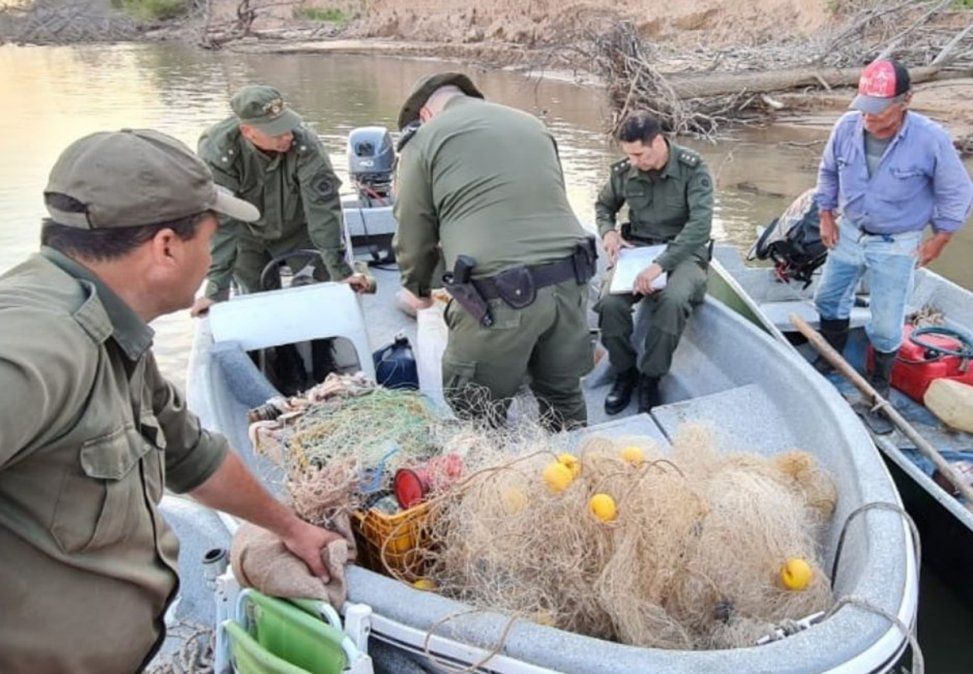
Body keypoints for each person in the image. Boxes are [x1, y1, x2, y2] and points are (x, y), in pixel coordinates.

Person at [0, 129, 343, 673]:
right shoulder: (40, 345)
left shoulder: (113, 326)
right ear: (165, 247)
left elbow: (190, 455)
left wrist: (293, 530)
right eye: (209, 240)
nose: (211, 259)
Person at [392, 72, 597, 430]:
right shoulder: (533, 125)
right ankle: (584, 475)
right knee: (563, 399)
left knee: (478, 413)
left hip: (498, 299)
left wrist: (418, 288)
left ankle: (495, 480)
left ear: (424, 115)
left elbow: (414, 226)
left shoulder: (425, 139)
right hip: (572, 283)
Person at [813, 58, 973, 434]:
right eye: (863, 106)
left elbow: (956, 191)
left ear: (905, 102)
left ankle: (878, 388)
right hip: (849, 231)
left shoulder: (929, 138)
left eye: (878, 109)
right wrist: (825, 214)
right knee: (827, 298)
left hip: (896, 243)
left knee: (885, 325)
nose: (867, 117)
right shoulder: (846, 127)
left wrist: (941, 238)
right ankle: (831, 357)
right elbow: (828, 171)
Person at [192, 85, 368, 392]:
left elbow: (322, 210)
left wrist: (340, 272)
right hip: (247, 235)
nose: (287, 135)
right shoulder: (218, 151)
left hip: (298, 226)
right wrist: (217, 287)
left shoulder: (304, 144)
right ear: (248, 131)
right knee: (259, 297)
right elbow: (222, 223)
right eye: (276, 132)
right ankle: (285, 358)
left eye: (287, 126)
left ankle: (322, 352)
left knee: (320, 290)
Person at [595, 111, 714, 415]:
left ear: (658, 142)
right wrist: (608, 231)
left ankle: (651, 377)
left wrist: (661, 264)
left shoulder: (692, 168)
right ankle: (625, 372)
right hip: (638, 251)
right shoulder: (624, 172)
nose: (634, 162)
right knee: (609, 304)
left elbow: (700, 226)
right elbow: (604, 205)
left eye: (639, 154)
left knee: (673, 301)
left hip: (684, 252)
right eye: (629, 155)